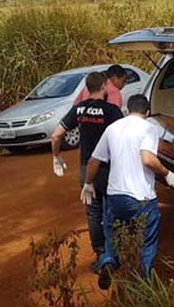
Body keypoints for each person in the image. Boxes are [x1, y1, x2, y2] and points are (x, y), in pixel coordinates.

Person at [83, 94, 174, 290]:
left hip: (115, 196)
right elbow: (147, 159)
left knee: (112, 234)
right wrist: (167, 173)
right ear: (147, 113)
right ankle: (143, 277)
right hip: (141, 198)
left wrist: (87, 184)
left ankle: (109, 261)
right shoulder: (149, 128)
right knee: (147, 239)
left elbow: (94, 160)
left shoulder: (113, 128)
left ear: (127, 110)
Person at [51, 72, 123, 269]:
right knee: (114, 210)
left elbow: (56, 135)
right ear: (103, 86)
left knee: (93, 213)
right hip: (109, 169)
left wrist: (56, 157)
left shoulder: (79, 110)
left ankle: (100, 256)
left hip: (86, 170)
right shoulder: (112, 111)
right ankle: (116, 254)